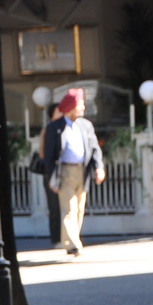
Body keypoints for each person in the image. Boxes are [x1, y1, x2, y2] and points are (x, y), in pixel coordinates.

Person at [49, 89, 105, 256]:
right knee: (68, 208)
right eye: (80, 104)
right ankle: (72, 244)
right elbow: (50, 156)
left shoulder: (86, 125)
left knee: (80, 208)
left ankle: (73, 238)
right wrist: (52, 179)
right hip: (64, 171)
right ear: (71, 107)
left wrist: (99, 167)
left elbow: (95, 148)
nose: (82, 107)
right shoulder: (55, 127)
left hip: (82, 171)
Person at [37, 103, 67, 245]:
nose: (61, 115)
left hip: (66, 172)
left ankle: (67, 237)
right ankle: (56, 238)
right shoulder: (48, 130)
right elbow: (43, 153)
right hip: (52, 172)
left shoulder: (66, 127)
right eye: (58, 113)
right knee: (54, 207)